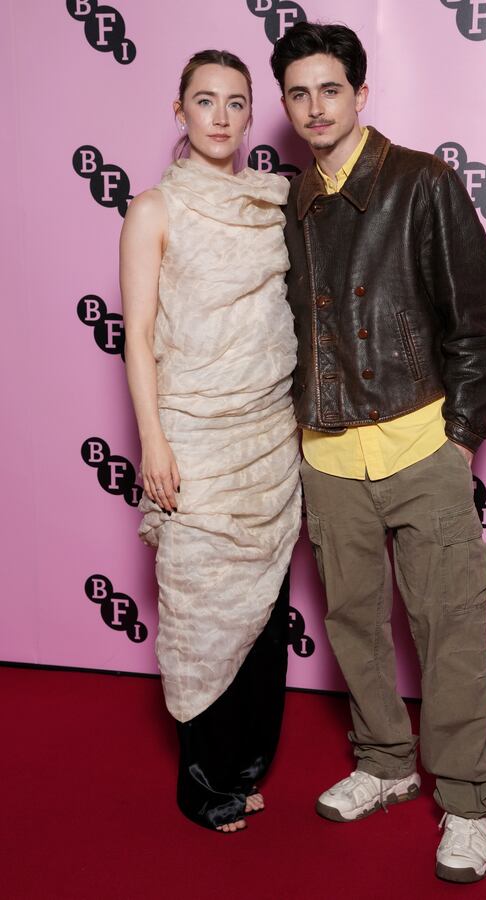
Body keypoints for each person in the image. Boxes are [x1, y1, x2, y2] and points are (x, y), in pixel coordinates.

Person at [270, 22, 486, 882]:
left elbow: (479, 325)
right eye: (298, 93)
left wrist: (458, 441)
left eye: (329, 89)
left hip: (420, 446)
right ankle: (384, 762)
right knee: (354, 628)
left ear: (361, 94)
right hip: (327, 459)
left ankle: (468, 802)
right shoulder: (292, 202)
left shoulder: (422, 181)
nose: (314, 107)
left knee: (448, 631)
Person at [119, 50, 301, 833]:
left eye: (236, 102)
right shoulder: (153, 209)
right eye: (205, 100)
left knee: (262, 611)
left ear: (251, 112)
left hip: (268, 437)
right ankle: (204, 783)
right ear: (179, 111)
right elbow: (136, 338)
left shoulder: (272, 202)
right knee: (203, 609)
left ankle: (249, 762)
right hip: (193, 435)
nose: (221, 116)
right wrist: (153, 443)